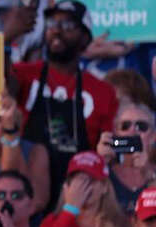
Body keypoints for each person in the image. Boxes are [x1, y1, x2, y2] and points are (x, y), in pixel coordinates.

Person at [12, 1, 119, 208]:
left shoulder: (103, 91)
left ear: (85, 38)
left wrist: (116, 151)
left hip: (82, 197)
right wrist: (8, 38)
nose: (57, 31)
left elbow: (113, 144)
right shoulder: (23, 74)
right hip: (27, 199)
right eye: (52, 23)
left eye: (68, 25)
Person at [33, 151, 129, 227]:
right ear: (67, 188)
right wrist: (69, 211)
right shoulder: (51, 223)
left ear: (104, 187)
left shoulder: (120, 226)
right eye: (78, 181)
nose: (83, 188)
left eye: (90, 180)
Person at [97, 101, 156, 213]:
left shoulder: (152, 173)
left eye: (141, 126)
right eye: (125, 126)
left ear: (153, 136)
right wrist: (99, 164)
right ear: (115, 133)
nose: (133, 131)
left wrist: (149, 175)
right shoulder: (105, 171)